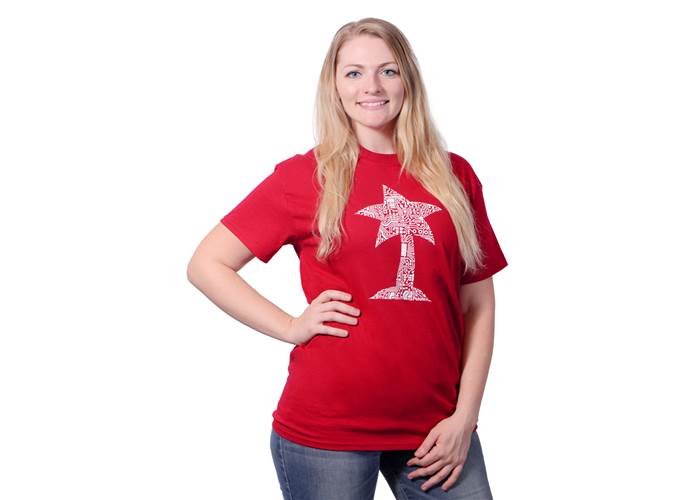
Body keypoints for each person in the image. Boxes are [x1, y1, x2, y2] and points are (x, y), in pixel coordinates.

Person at [187, 17, 508, 500]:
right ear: (334, 86)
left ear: (408, 80)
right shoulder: (304, 177)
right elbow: (207, 264)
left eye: (388, 71)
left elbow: (478, 305)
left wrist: (466, 417)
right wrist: (290, 326)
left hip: (437, 428)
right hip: (327, 429)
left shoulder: (454, 176)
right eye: (354, 73)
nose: (371, 86)